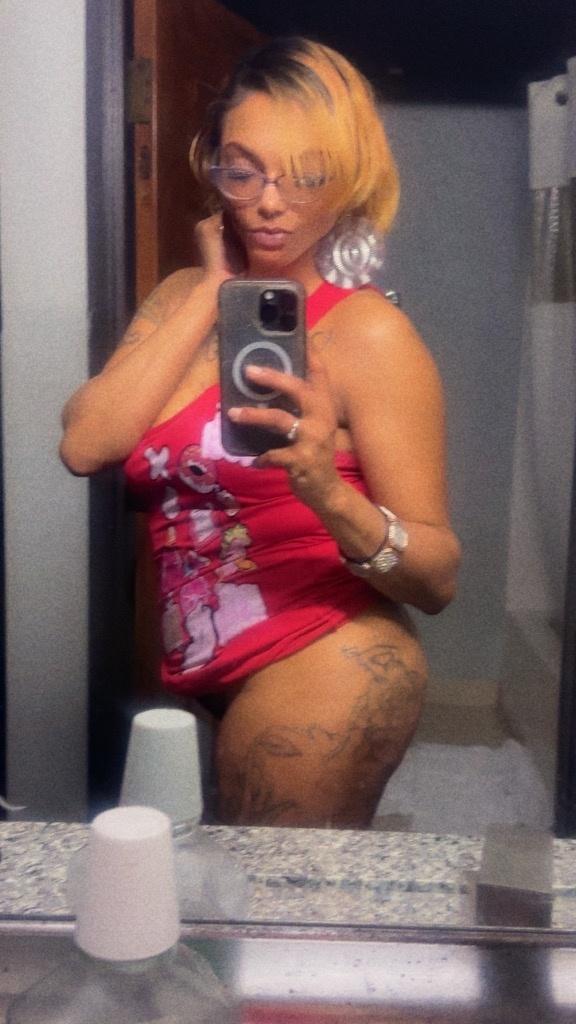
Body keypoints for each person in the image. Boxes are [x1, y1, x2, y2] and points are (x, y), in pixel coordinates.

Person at [60, 37, 461, 829]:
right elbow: (86, 444)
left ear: (350, 177)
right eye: (243, 171)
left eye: (307, 174)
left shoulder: (370, 335)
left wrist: (327, 492)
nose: (271, 202)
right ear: (212, 166)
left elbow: (438, 576)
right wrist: (214, 286)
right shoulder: (183, 295)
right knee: (215, 885)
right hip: (205, 661)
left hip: (322, 656)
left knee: (268, 900)